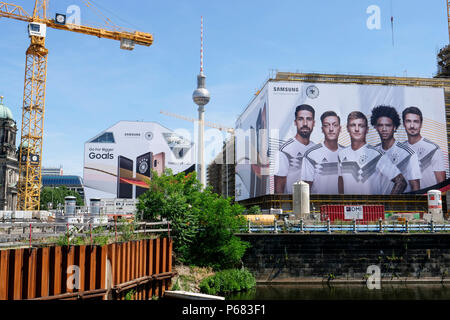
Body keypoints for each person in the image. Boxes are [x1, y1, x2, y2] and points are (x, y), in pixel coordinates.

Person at [338, 111, 407, 195]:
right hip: (349, 206)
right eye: (353, 125)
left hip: (371, 207)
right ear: (347, 128)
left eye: (361, 126)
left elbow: (401, 182)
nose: (356, 129)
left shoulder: (376, 154)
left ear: (367, 130)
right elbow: (341, 181)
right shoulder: (341, 154)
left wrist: (388, 205)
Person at [370, 105, 421, 192]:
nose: (384, 129)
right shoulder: (373, 152)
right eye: (380, 125)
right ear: (375, 127)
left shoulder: (408, 154)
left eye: (388, 125)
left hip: (400, 204)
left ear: (395, 127)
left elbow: (415, 188)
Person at [274, 104, 316, 194]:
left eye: (308, 119)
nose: (305, 123)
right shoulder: (285, 150)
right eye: (300, 119)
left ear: (314, 123)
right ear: (295, 122)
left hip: (314, 201)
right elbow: (279, 183)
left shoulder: (316, 149)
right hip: (292, 202)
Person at [402, 106, 446, 188]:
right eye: (408, 121)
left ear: (421, 124)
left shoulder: (433, 149)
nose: (412, 125)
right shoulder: (401, 149)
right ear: (404, 124)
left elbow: (442, 184)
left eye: (416, 121)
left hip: (427, 197)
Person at [302, 111, 343, 194]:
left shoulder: (347, 153)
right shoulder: (311, 154)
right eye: (327, 125)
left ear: (340, 128)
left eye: (335, 125)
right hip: (319, 205)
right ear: (322, 129)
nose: (331, 129)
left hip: (342, 205)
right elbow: (305, 189)